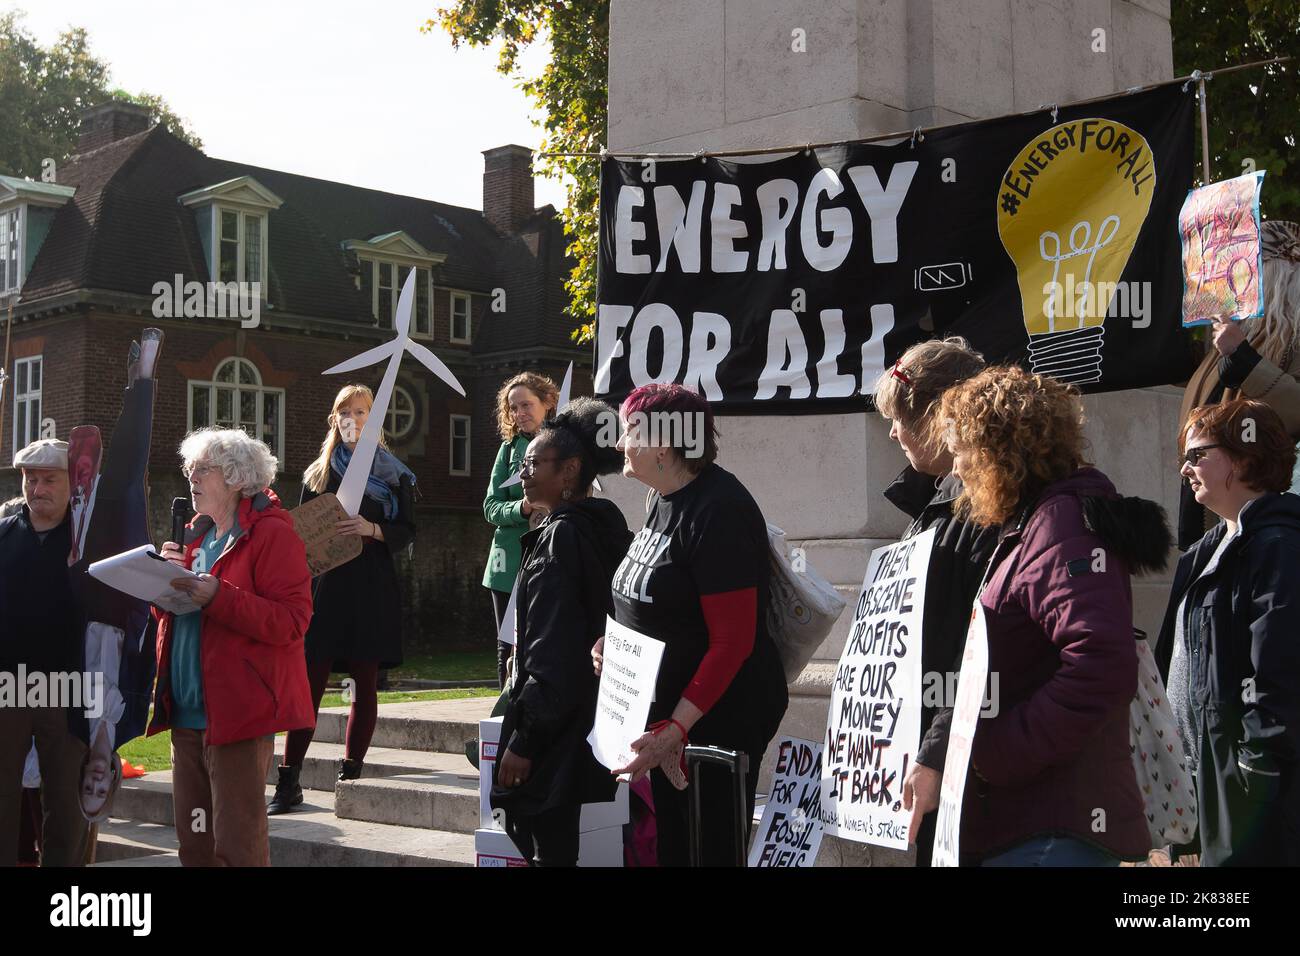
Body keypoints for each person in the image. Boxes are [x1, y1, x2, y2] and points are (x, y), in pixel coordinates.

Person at [937, 366, 1167, 866]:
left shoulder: (1060, 524)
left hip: (1052, 832)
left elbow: (1100, 665)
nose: (956, 469)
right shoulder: (1037, 523)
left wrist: (999, 753)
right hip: (1036, 826)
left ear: (995, 449)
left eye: (960, 451)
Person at [604, 383, 789, 866]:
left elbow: (732, 641)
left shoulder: (718, 509)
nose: (620, 444)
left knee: (707, 851)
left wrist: (676, 729)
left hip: (715, 720)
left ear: (663, 444)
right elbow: (655, 598)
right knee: (676, 849)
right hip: (672, 719)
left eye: (629, 432)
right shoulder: (663, 497)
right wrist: (615, 641)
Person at [148, 427, 314, 866]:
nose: (192, 478)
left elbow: (292, 621)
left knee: (237, 848)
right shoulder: (194, 537)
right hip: (184, 714)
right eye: (189, 469)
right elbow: (175, 622)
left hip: (238, 717)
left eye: (203, 469)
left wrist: (218, 596)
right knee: (195, 847)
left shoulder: (273, 535)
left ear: (238, 478)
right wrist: (161, 586)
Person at [1155, 399, 1300, 866]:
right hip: (1200, 784)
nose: (1186, 468)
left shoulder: (1279, 546)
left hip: (1248, 791)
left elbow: (1279, 671)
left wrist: (1250, 773)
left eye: (1198, 455)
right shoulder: (1204, 552)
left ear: (1244, 457)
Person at [872, 336, 998, 863]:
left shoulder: (986, 513)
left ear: (937, 416)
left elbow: (980, 651)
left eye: (901, 417)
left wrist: (936, 753)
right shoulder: (935, 505)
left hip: (970, 765)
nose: (894, 432)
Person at [490, 398, 631, 865]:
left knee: (549, 847)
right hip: (584, 717)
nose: (524, 472)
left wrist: (525, 741)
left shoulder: (561, 538)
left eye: (533, 462)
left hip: (554, 730)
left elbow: (552, 648)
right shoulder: (599, 525)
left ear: (570, 471)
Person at [269, 384, 417, 814]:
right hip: (325, 589)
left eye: (364, 411)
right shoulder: (318, 473)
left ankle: (350, 777)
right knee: (308, 684)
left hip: (371, 587)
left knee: (363, 684)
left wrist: (370, 530)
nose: (355, 418)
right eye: (347, 411)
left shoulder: (397, 474)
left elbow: (407, 529)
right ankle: (288, 780)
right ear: (335, 419)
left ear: (375, 419)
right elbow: (298, 536)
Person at [1177, 220, 1300, 548]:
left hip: (1270, 526)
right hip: (1216, 524)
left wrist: (1246, 361)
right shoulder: (1225, 344)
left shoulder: (1289, 341)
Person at [0, 439, 90, 867]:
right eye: (30, 479)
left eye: (48, 479)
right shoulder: (3, 533)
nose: (37, 488)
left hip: (70, 687)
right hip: (7, 686)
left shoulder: (90, 537)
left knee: (66, 805)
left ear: (72, 482)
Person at [483, 372, 559, 688]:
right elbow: (490, 507)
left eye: (526, 405)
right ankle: (504, 717)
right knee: (508, 646)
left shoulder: (564, 445)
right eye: (513, 408)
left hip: (549, 559)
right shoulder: (508, 449)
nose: (520, 413)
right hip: (507, 561)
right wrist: (522, 509)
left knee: (542, 641)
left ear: (548, 403)